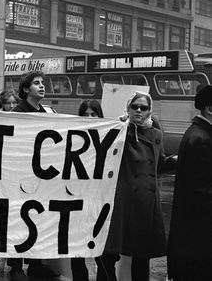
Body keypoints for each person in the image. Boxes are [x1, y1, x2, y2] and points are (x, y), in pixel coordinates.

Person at [102, 91, 175, 281]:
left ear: (150, 111)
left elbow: (158, 164)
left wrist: (175, 160)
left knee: (142, 255)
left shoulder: (156, 134)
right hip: (124, 201)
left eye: (144, 108)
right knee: (111, 250)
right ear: (128, 109)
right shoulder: (120, 131)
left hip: (147, 202)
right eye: (135, 107)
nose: (139, 111)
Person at [8, 70, 59, 281]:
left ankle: (36, 265)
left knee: (37, 218)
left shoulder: (46, 113)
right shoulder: (17, 113)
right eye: (36, 83)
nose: (41, 86)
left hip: (41, 176)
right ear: (26, 89)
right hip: (21, 175)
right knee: (19, 220)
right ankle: (16, 267)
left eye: (42, 83)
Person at [168, 85, 212, 280]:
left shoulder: (199, 133)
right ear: (210, 109)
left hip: (194, 239)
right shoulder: (201, 139)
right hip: (198, 239)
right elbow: (201, 193)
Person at [70, 99, 104, 281]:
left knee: (102, 252)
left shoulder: (110, 137)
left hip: (99, 202)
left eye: (94, 114)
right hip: (77, 202)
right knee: (77, 251)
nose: (90, 118)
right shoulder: (73, 139)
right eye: (86, 114)